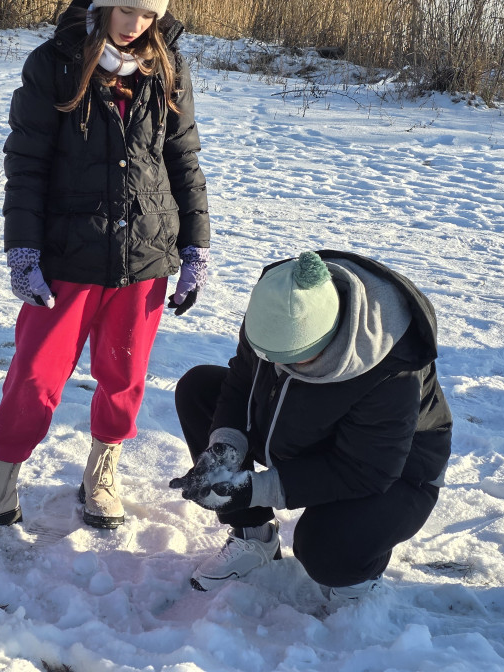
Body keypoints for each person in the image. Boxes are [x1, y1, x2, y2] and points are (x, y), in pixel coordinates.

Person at [0, 0, 209, 540]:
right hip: (66, 256)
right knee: (34, 377)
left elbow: (183, 160)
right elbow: (26, 164)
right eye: (125, 9)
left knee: (124, 376)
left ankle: (102, 473)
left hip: (144, 256)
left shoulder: (168, 67)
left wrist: (195, 246)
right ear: (104, 0)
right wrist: (23, 249)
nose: (134, 25)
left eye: (148, 13)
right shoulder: (54, 64)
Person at [171, 251, 452, 599]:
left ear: (326, 341)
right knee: (199, 389)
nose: (274, 365)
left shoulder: (392, 369)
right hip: (307, 427)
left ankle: (356, 583)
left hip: (392, 469)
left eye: (289, 358)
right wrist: (224, 450)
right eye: (266, 355)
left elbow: (365, 470)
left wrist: (253, 488)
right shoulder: (275, 306)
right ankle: (254, 537)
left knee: (327, 551)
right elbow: (242, 381)